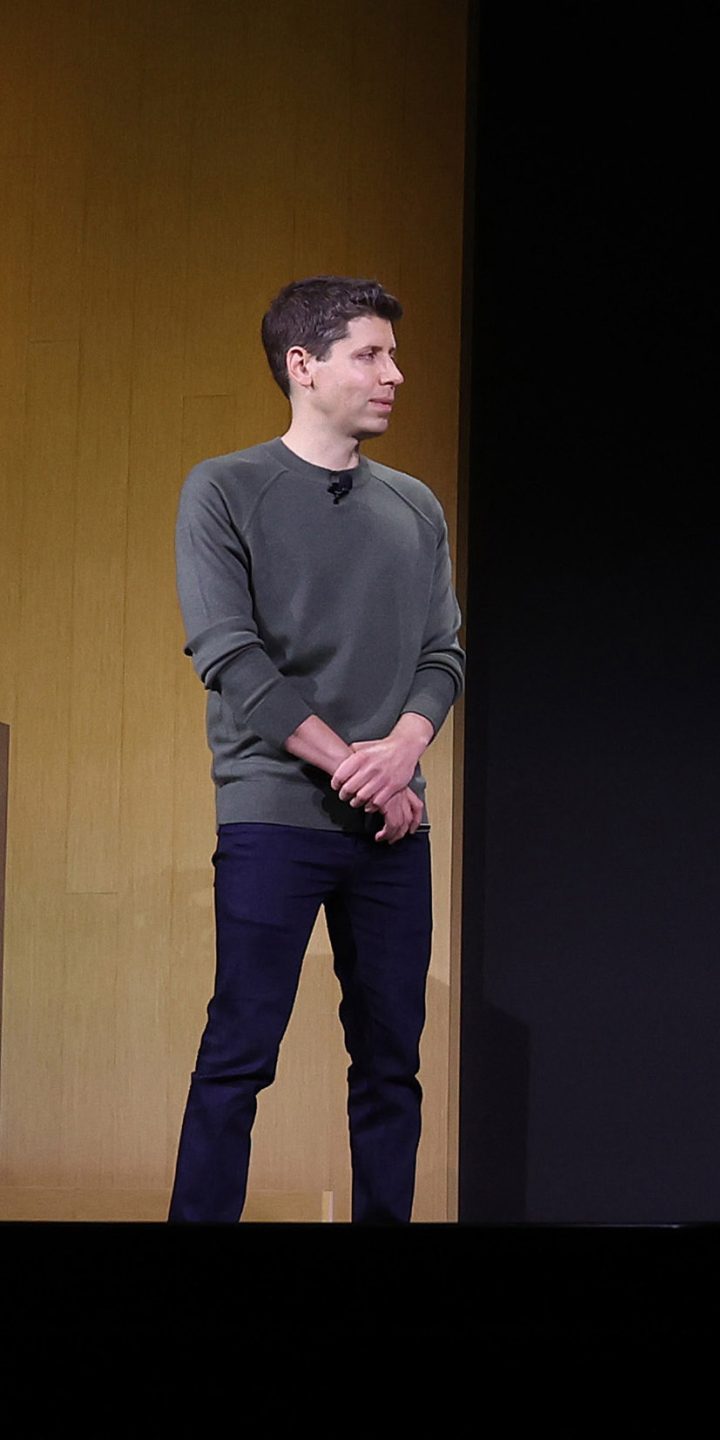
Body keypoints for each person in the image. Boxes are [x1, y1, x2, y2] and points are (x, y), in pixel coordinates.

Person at [168, 276, 463, 1223]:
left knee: (391, 1065)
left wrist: (405, 747)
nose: (394, 374)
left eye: (392, 355)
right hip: (276, 817)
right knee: (239, 1054)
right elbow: (231, 658)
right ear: (303, 365)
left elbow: (443, 653)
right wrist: (361, 771)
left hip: (392, 830)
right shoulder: (225, 488)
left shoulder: (415, 506)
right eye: (370, 355)